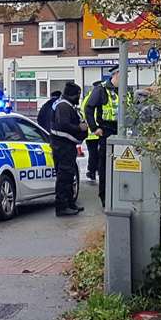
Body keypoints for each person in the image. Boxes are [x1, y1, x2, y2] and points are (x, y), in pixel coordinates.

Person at [50, 82, 88, 217]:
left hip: (66, 146)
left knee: (69, 175)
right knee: (64, 176)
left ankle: (70, 203)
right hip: (62, 147)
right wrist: (80, 128)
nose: (79, 97)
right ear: (73, 95)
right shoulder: (63, 106)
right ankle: (62, 206)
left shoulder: (66, 105)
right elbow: (64, 124)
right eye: (78, 94)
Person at [84, 68, 120, 205]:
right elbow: (88, 108)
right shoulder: (101, 89)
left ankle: (117, 195)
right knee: (105, 166)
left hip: (121, 132)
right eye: (124, 74)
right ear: (116, 74)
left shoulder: (124, 90)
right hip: (106, 132)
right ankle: (105, 197)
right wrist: (94, 128)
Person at [84, 79, 105, 180]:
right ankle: (96, 171)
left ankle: (92, 171)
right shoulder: (96, 97)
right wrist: (95, 127)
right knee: (98, 154)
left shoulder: (87, 97)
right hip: (96, 130)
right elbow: (88, 112)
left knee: (93, 154)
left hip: (91, 132)